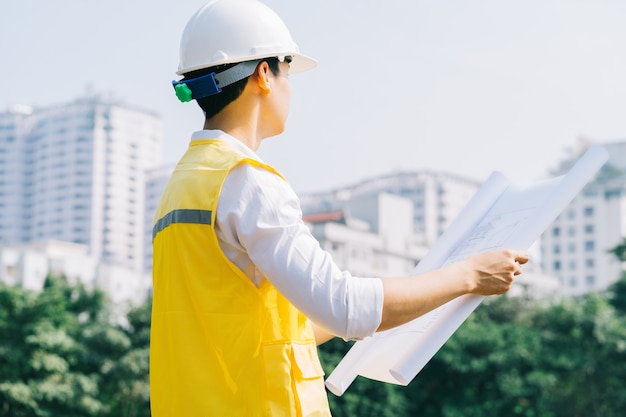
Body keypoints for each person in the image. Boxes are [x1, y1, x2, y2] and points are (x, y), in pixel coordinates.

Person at [149, 0, 529, 416]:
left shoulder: (185, 185)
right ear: (264, 74)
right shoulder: (246, 180)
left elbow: (263, 331)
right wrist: (468, 274)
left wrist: (408, 298)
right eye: (288, 71)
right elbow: (346, 307)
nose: (291, 86)